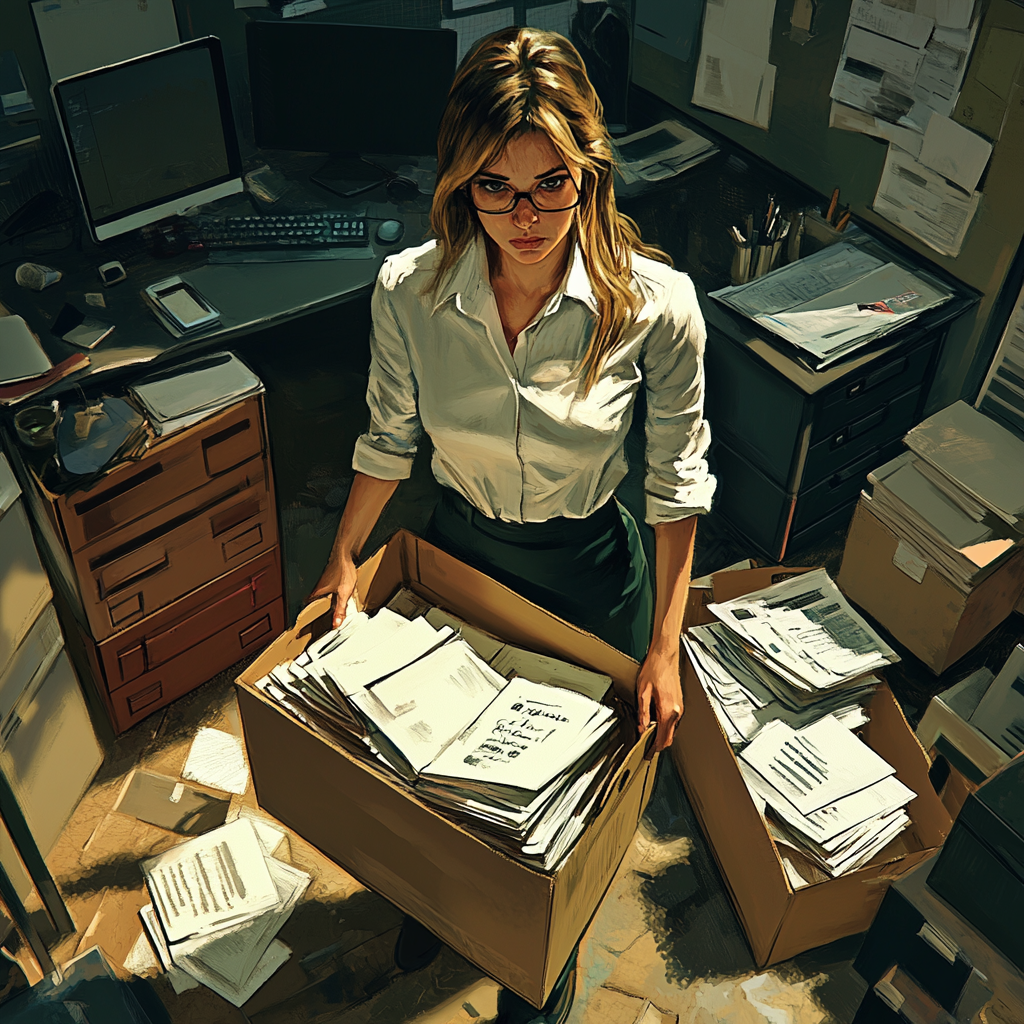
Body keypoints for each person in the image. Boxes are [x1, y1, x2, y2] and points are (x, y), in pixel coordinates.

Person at [310, 26, 716, 1024]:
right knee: (437, 788)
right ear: (459, 184)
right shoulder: (410, 290)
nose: (525, 215)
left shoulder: (653, 308)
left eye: (551, 184)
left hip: (586, 582)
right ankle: (445, 909)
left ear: (589, 173)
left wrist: (665, 647)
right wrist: (344, 556)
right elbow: (388, 436)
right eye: (495, 186)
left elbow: (675, 486)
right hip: (462, 566)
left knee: (552, 850)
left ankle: (537, 990)